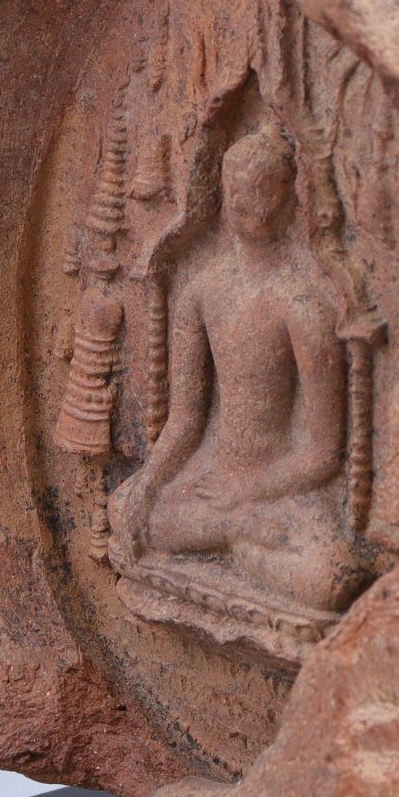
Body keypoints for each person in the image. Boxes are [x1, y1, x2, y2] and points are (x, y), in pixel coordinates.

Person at [113, 121, 361, 617]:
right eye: (237, 190)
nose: (247, 203)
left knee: (333, 580)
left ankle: (234, 536)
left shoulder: (302, 305)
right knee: (125, 511)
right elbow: (186, 421)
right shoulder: (202, 291)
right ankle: (234, 533)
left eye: (261, 190)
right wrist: (150, 482)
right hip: (213, 479)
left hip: (280, 487)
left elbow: (323, 452)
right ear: (224, 194)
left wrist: (247, 490)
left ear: (290, 203)